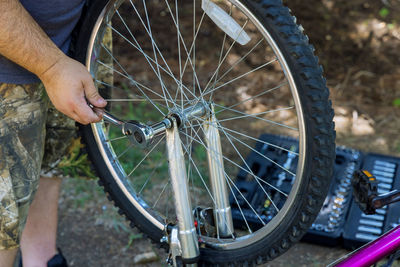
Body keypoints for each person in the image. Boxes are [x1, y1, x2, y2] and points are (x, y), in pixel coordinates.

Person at [0, 0, 107, 266]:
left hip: (75, 37)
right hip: (10, 58)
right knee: (4, 217)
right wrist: (52, 68)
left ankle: (41, 256)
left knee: (49, 159)